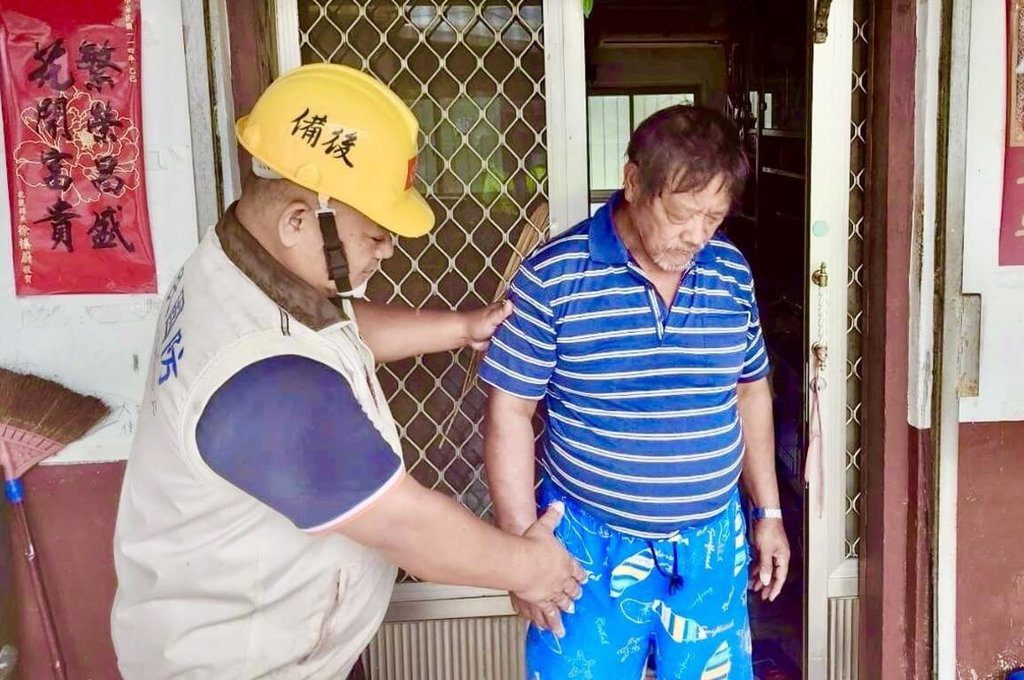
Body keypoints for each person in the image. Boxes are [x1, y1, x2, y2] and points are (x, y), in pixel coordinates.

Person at [110, 64, 584, 679]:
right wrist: (534, 568)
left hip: (272, 638)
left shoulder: (234, 264)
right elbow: (406, 525)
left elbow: (335, 330)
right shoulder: (267, 384)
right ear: (298, 221)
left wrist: (460, 328)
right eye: (375, 234)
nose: (388, 249)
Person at [480, 105, 790, 678]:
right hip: (586, 549)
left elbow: (750, 391)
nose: (697, 235)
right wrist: (521, 552)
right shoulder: (554, 275)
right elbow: (510, 412)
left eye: (714, 217)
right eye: (681, 214)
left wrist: (767, 512)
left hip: (711, 545)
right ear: (633, 182)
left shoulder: (730, 271)